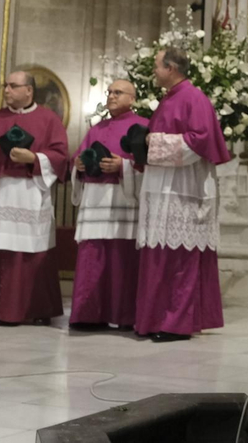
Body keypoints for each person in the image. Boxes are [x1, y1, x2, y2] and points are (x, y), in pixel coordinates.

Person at [133, 47, 232, 341]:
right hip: (163, 188)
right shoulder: (169, 99)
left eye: (157, 65)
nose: (154, 70)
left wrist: (154, 142)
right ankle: (156, 319)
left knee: (180, 258)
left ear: (172, 68)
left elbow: (199, 141)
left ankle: (176, 323)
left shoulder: (193, 98)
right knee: (161, 256)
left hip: (184, 191)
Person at [0, 70, 68, 325]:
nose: (6, 90)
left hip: (29, 193)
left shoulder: (48, 119)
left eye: (12, 86)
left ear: (29, 91)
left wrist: (34, 158)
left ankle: (27, 310)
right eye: (5, 86)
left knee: (27, 252)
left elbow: (61, 156)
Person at [69, 78, 145, 331]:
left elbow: (148, 166)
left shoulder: (143, 127)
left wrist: (122, 166)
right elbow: (79, 157)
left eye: (118, 92)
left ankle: (124, 315)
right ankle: (88, 315)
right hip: (95, 198)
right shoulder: (96, 129)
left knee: (122, 258)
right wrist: (78, 165)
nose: (111, 96)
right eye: (109, 92)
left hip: (124, 197)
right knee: (92, 255)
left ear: (132, 98)